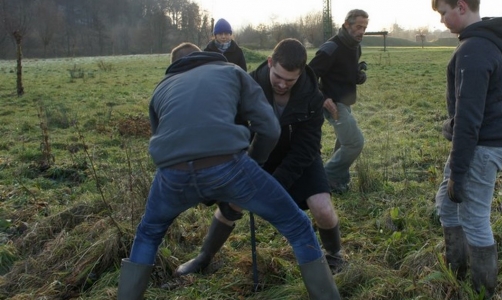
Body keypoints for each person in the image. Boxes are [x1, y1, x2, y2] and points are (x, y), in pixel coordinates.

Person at [116, 42, 339, 300]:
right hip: (230, 163)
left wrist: (196, 182)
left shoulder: (161, 89)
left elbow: (161, 136)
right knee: (299, 228)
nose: (281, 83)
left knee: (148, 233)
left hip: (172, 173)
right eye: (278, 76)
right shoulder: (233, 72)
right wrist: (251, 167)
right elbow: (269, 128)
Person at [174, 38, 347, 277]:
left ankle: (334, 255)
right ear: (269, 62)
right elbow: (231, 128)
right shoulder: (247, 85)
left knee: (323, 208)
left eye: (290, 80)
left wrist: (274, 186)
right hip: (257, 154)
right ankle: (204, 257)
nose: (283, 85)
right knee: (231, 204)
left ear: (301, 73)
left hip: (299, 158)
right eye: (278, 77)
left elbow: (306, 148)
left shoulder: (312, 97)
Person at [431, 0, 502, 299]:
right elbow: (471, 113)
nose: (442, 20)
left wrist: (458, 171)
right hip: (476, 141)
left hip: (481, 146)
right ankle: (455, 269)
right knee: (447, 204)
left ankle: (484, 291)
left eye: (443, 12)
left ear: (460, 6)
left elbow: (470, 117)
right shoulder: (480, 42)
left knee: (473, 217)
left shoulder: (474, 49)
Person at [308, 9, 369, 193]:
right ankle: (324, 179)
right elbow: (309, 74)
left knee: (344, 142)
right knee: (354, 142)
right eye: (358, 27)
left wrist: (358, 75)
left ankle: (338, 183)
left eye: (364, 28)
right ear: (346, 25)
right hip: (333, 103)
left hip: (346, 102)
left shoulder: (355, 46)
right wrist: (323, 99)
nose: (361, 32)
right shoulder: (331, 47)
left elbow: (342, 72)